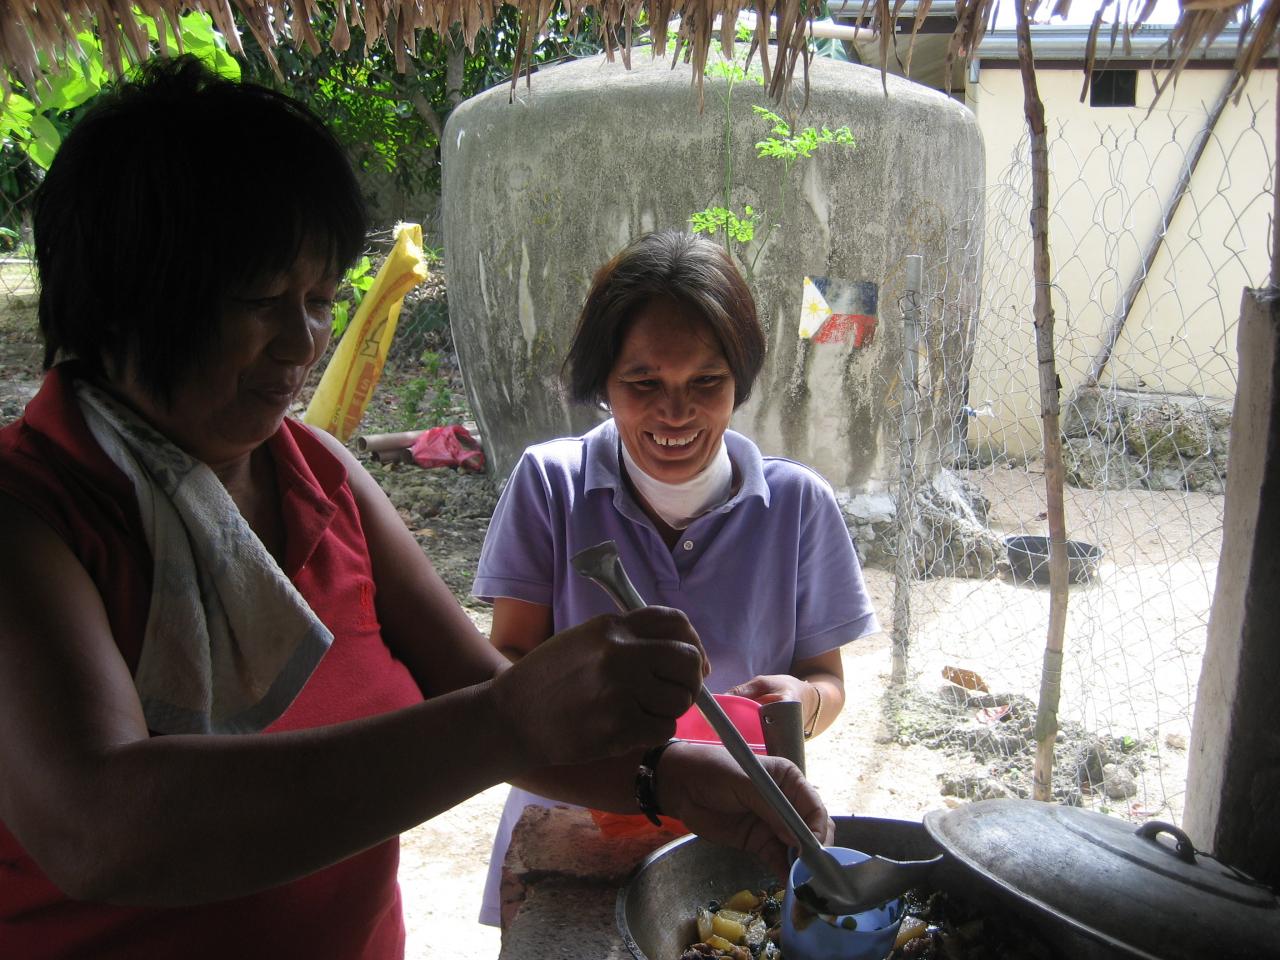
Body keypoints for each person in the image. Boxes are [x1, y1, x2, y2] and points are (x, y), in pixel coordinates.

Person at [0, 59, 833, 959]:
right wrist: (508, 719)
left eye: (319, 301)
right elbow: (98, 828)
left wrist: (666, 775)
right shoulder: (32, 515)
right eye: (260, 301)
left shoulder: (315, 475)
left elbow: (475, 686)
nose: (303, 343)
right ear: (128, 295)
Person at [474, 230, 880, 925]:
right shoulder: (551, 486)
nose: (675, 412)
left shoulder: (798, 505)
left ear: (739, 382)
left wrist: (802, 702)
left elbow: (827, 680)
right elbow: (504, 667)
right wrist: (586, 690)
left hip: (742, 827)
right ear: (604, 382)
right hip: (579, 815)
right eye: (643, 384)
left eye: (705, 383)